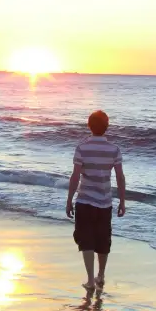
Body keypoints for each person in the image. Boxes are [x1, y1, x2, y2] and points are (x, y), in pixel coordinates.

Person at [66, 110, 126, 290]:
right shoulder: (114, 149)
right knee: (103, 239)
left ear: (89, 126)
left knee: (86, 240)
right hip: (105, 202)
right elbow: (120, 177)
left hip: (84, 200)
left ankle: (90, 280)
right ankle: (101, 275)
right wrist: (122, 201)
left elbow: (75, 176)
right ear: (106, 127)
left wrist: (69, 199)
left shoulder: (82, 148)